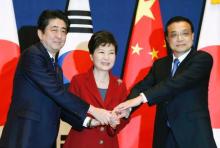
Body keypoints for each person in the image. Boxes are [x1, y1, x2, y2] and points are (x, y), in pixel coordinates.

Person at [0, 10, 112, 148]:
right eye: (54, 30)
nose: (59, 36)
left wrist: (88, 121)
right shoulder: (32, 55)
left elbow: (58, 103)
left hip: (45, 139)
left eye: (63, 31)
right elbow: (56, 91)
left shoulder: (57, 69)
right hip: (25, 137)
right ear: (40, 33)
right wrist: (93, 110)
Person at [114, 16, 217, 148]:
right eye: (174, 35)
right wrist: (128, 108)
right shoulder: (160, 64)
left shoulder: (202, 59)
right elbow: (142, 86)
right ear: (167, 39)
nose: (180, 39)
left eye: (184, 33)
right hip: (164, 137)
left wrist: (141, 99)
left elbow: (177, 83)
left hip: (194, 136)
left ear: (192, 36)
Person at [63, 31, 129, 148]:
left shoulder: (120, 85)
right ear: (91, 56)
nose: (106, 57)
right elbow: (69, 113)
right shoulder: (79, 81)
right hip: (80, 143)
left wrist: (114, 124)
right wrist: (90, 121)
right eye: (101, 52)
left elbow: (124, 118)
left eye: (111, 53)